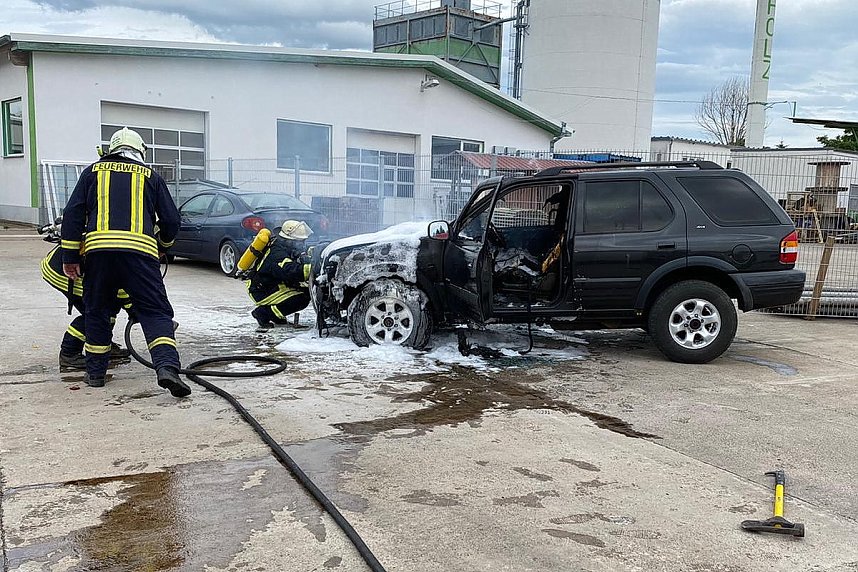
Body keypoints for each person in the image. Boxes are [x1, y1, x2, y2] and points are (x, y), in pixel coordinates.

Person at [60, 127, 189, 397]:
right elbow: (172, 221)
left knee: (98, 311)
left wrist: (70, 256)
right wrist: (162, 246)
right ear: (140, 151)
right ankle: (166, 367)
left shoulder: (92, 172)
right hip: (140, 255)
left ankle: (95, 374)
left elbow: (73, 214)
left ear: (112, 150)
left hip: (98, 254)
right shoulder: (151, 176)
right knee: (155, 312)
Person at [41, 244, 132, 369]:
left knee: (109, 308)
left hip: (69, 265)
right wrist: (133, 308)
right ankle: (69, 353)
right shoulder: (129, 253)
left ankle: (102, 344)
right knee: (96, 312)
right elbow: (123, 288)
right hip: (65, 273)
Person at [247, 220, 313, 328]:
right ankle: (263, 313)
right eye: (299, 241)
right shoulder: (277, 254)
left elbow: (300, 253)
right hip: (262, 290)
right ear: (290, 240)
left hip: (271, 283)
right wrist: (312, 269)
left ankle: (275, 315)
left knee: (305, 290)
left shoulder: (282, 245)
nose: (302, 244)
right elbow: (290, 271)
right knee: (302, 298)